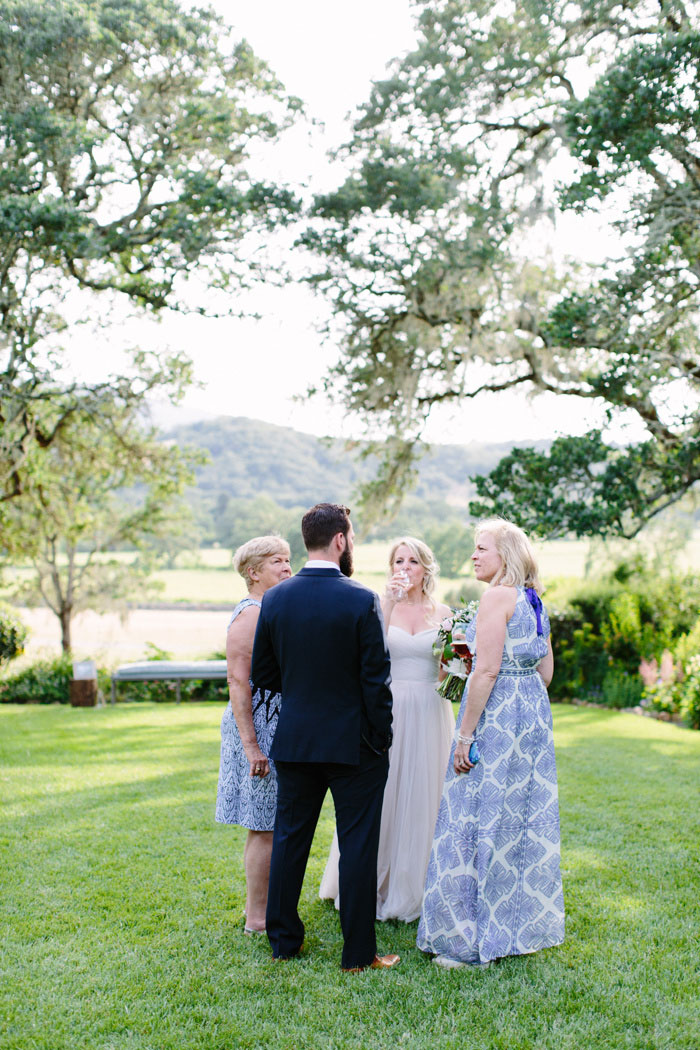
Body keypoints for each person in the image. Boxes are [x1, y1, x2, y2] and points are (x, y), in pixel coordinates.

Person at [251, 503, 399, 972]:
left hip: (295, 740)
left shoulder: (275, 600)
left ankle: (284, 942)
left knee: (291, 839)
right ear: (340, 539)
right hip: (355, 743)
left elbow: (263, 673)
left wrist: (303, 693)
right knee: (357, 844)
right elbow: (376, 681)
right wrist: (382, 736)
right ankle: (357, 956)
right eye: (350, 537)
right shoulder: (361, 599)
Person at [417, 518, 564, 969]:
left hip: (496, 718)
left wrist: (465, 735)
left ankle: (469, 942)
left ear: (508, 556)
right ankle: (514, 929)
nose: (475, 555)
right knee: (516, 822)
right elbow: (546, 673)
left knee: (472, 817)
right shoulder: (533, 599)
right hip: (532, 719)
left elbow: (485, 671)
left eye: (483, 548)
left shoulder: (496, 596)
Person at [319, 537, 455, 921]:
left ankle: (421, 883)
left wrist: (459, 664)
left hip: (430, 709)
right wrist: (390, 602)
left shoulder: (443, 612)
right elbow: (367, 655)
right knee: (383, 792)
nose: (405, 568)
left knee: (425, 792)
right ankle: (370, 883)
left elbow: (448, 670)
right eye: (399, 561)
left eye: (413, 561)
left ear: (425, 568)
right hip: (387, 709)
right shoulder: (379, 606)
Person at [215, 535, 292, 934]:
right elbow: (237, 681)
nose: (286, 567)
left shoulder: (273, 608)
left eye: (288, 559)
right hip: (258, 725)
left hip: (277, 722)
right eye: (277, 561)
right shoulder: (251, 614)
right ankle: (257, 917)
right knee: (262, 824)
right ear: (253, 572)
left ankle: (265, 908)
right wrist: (251, 746)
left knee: (274, 822)